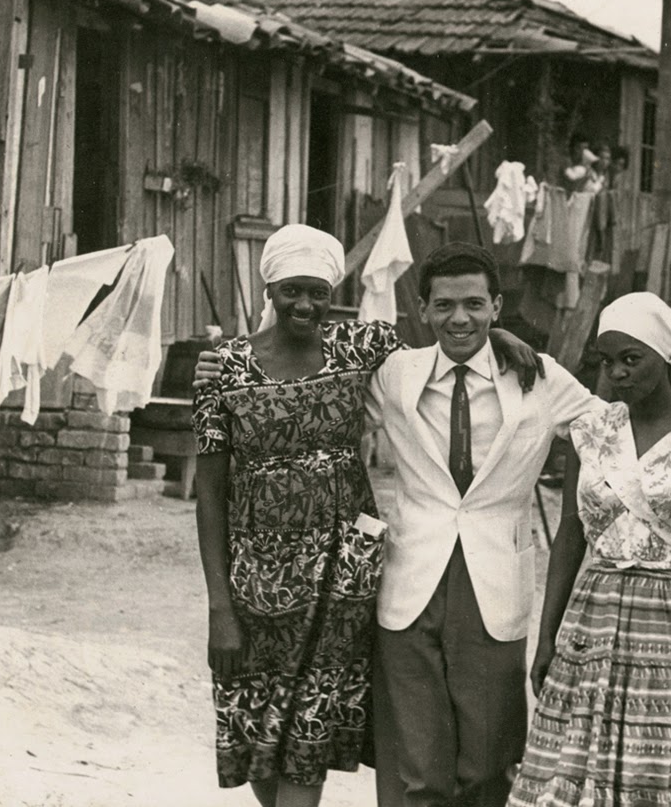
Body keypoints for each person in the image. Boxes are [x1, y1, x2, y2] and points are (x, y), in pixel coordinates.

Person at [193, 242, 671, 807]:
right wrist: (224, 363)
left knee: (487, 767)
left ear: (496, 306)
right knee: (414, 770)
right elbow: (301, 380)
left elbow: (629, 424)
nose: (460, 318)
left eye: (475, 305)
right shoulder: (393, 373)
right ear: (425, 310)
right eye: (445, 306)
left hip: (495, 585)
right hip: (407, 584)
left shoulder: (543, 380)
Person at [190, 227, 539, 806]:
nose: (305, 305)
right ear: (270, 288)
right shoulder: (222, 370)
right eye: (292, 291)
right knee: (253, 732)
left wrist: (495, 333)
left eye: (319, 293)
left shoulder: (360, 348)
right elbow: (208, 495)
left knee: (311, 733)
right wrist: (219, 606)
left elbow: (447, 342)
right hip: (255, 583)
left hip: (340, 581)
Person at [508, 292, 671, 807]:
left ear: (666, 361)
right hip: (591, 624)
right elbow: (569, 537)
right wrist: (546, 638)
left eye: (632, 359)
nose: (618, 374)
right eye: (607, 362)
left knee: (658, 770)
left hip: (669, 625)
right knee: (579, 767)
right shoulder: (590, 432)